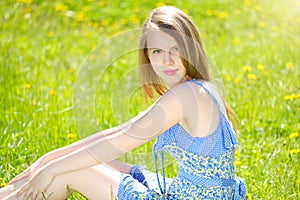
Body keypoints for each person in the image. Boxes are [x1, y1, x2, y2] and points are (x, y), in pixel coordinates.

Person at [1, 5, 246, 200]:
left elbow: (120, 141)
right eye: (157, 51)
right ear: (147, 56)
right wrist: (48, 159)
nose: (167, 60)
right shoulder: (198, 88)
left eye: (175, 49)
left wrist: (51, 169)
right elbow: (117, 132)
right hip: (196, 193)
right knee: (91, 163)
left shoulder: (186, 96)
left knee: (75, 169)